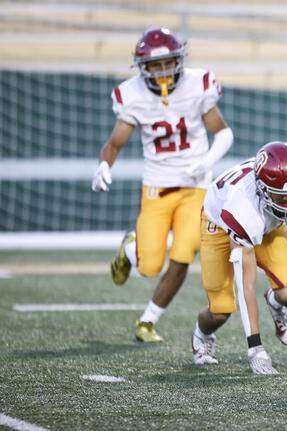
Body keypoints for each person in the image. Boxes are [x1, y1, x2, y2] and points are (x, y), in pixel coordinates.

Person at [91, 27, 233, 342]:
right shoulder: (133, 95)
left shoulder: (198, 85)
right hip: (156, 187)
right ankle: (130, 249)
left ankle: (148, 321)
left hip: (195, 188)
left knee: (183, 255)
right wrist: (104, 164)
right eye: (154, 65)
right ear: (143, 67)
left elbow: (223, 132)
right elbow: (115, 143)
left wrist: (207, 162)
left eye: (167, 62)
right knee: (149, 266)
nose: (162, 70)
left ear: (179, 60)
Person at [191, 141, 287, 374]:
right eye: (282, 198)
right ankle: (201, 333)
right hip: (218, 224)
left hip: (268, 222)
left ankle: (275, 302)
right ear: (262, 189)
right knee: (221, 309)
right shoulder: (242, 207)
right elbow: (246, 284)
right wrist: (255, 348)